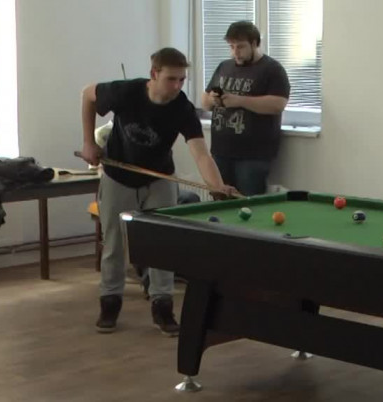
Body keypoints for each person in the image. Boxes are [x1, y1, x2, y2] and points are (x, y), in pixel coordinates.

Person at [80, 47, 238, 336]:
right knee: (114, 243)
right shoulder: (125, 92)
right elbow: (88, 95)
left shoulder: (182, 108)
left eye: (182, 80)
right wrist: (89, 143)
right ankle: (110, 302)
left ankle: (162, 306)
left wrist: (216, 185)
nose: (177, 86)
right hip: (117, 176)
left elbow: (201, 153)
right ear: (154, 74)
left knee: (163, 244)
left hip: (159, 178)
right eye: (171, 79)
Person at [202, 21, 290, 196]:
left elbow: (277, 104)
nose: (235, 52)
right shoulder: (224, 66)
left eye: (240, 46)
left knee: (248, 202)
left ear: (255, 43)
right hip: (220, 150)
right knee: (219, 201)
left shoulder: (272, 69)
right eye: (232, 46)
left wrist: (240, 101)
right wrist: (213, 99)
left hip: (253, 155)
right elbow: (204, 102)